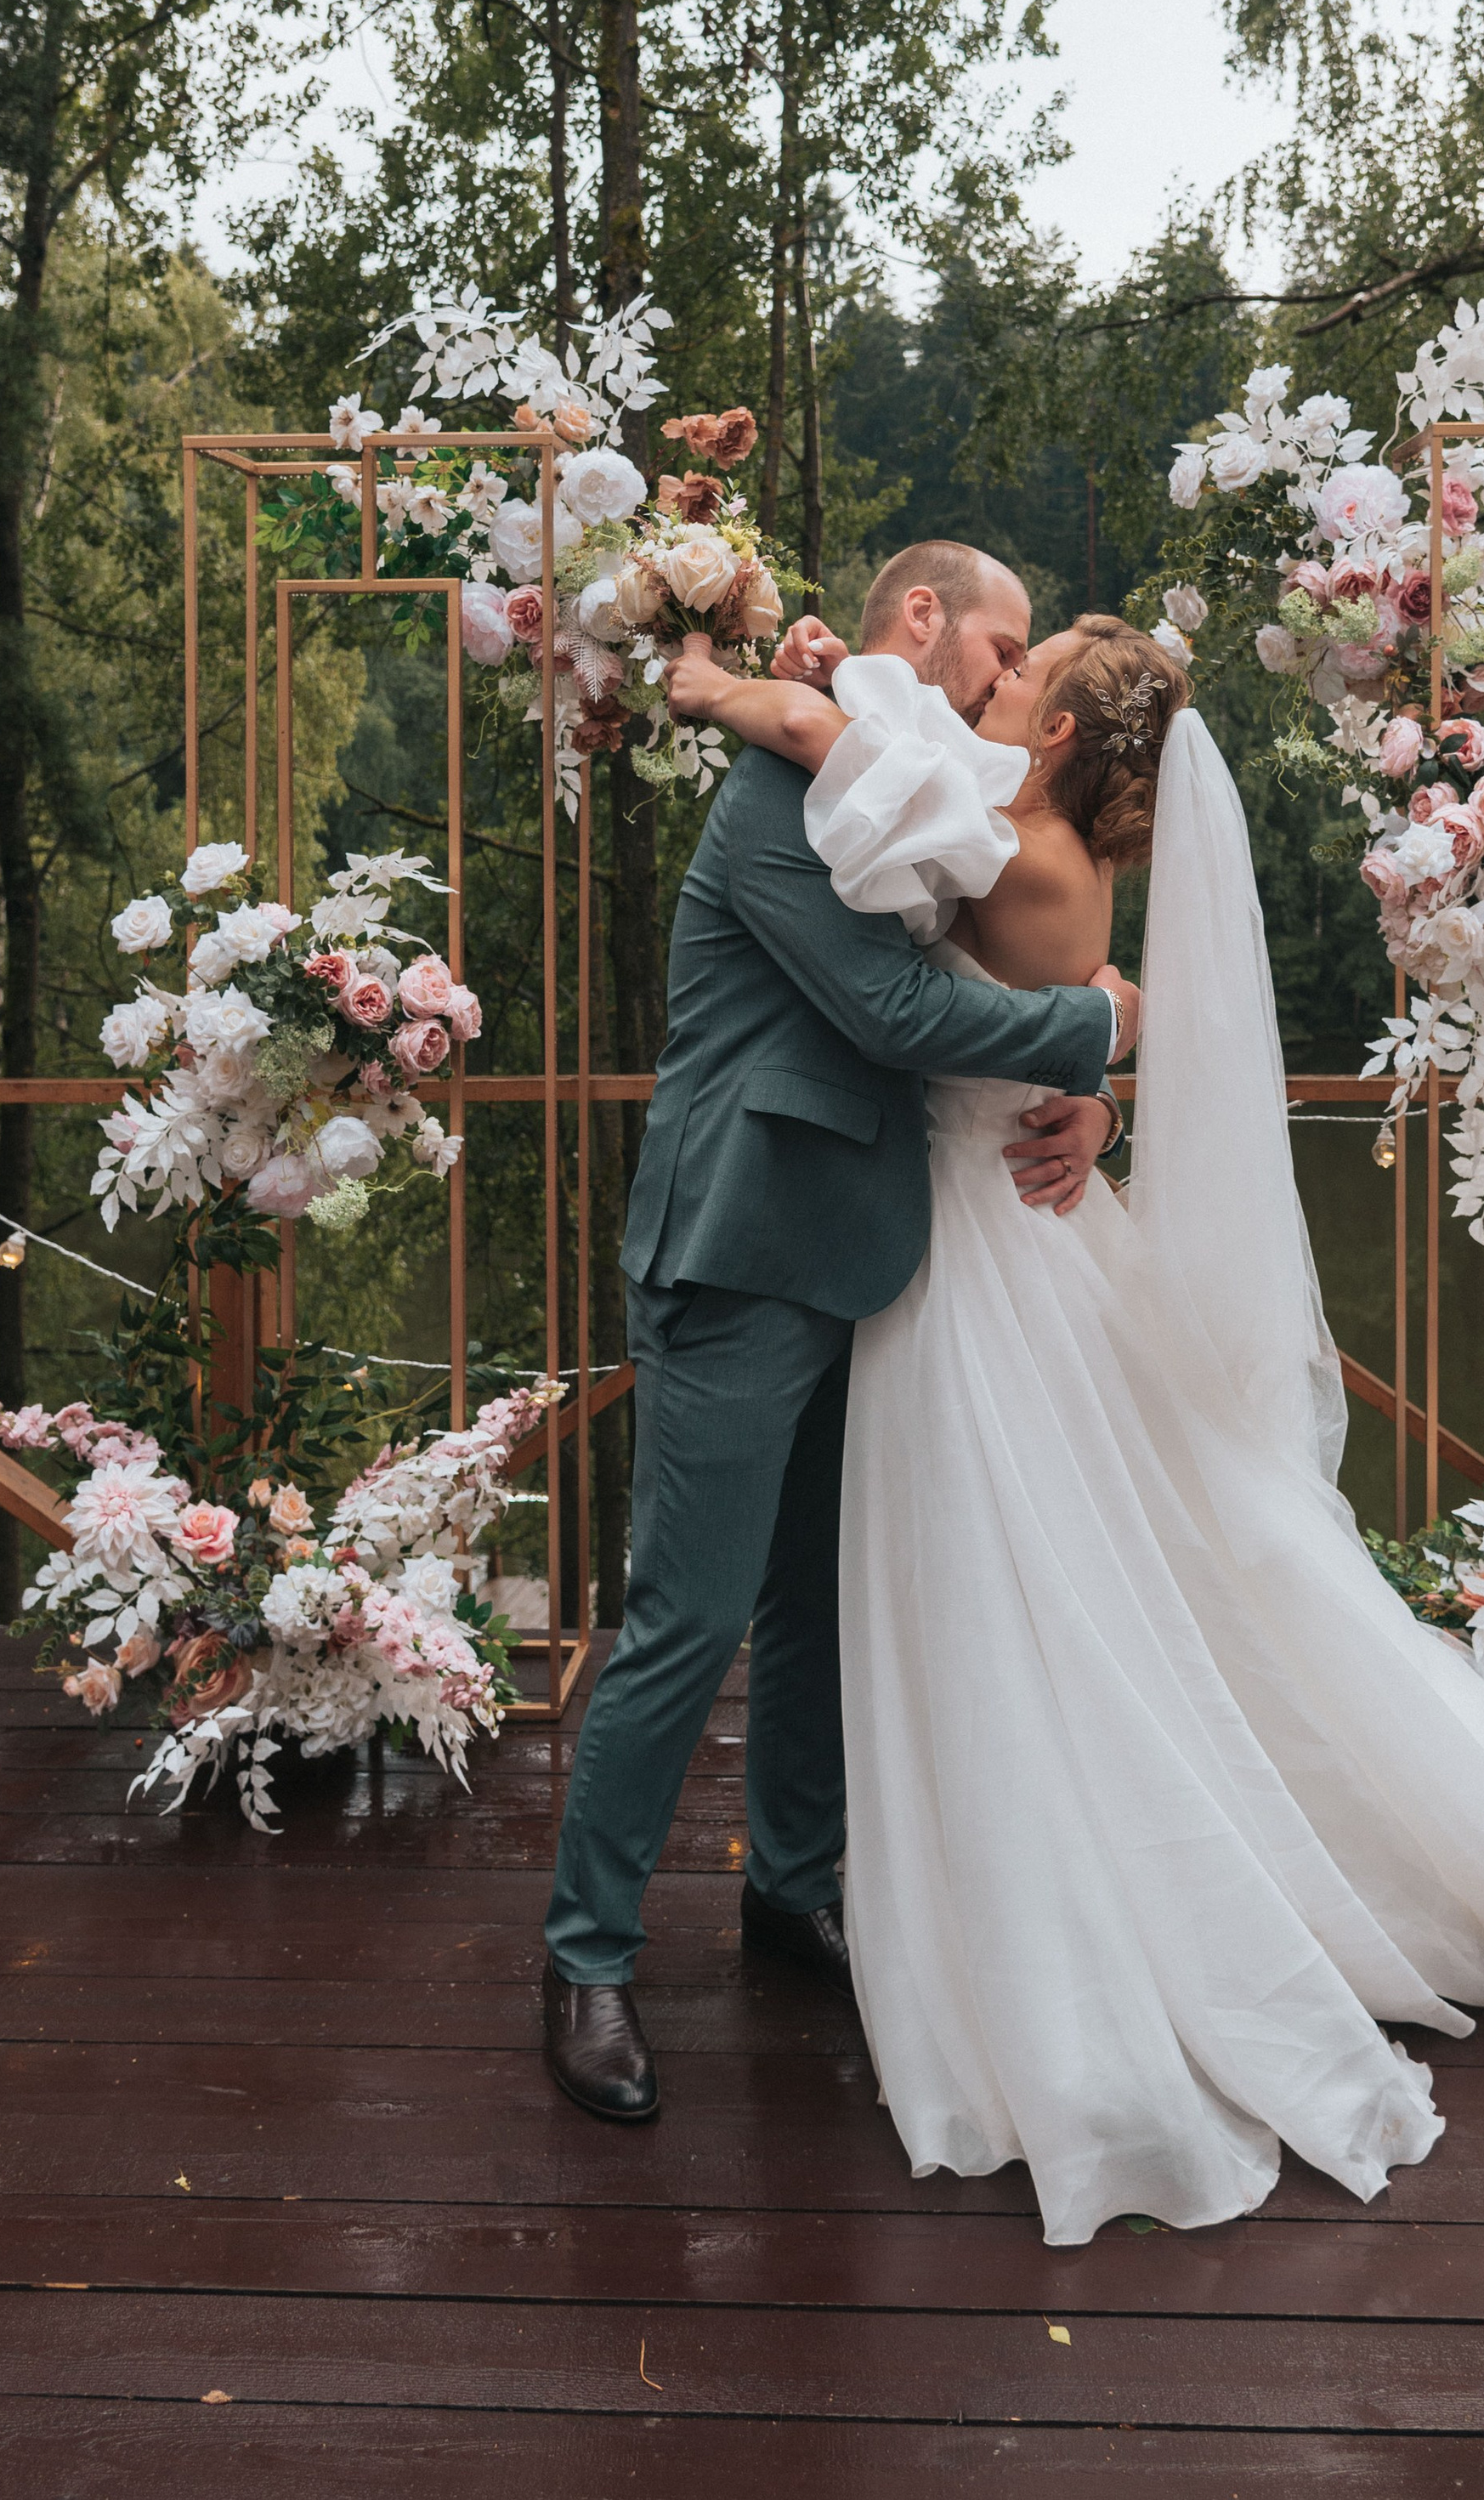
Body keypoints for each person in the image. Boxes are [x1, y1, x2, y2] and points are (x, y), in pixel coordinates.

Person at [671, 602, 1484, 2248]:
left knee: (1007, 1572)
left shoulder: (1003, 850)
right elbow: (1091, 974)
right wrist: (1111, 1041)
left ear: (1044, 737)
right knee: (1070, 1559)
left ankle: (1009, 1902)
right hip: (992, 1233)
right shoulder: (1030, 840)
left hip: (975, 1258)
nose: (992, 675)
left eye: (1018, 671)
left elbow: (864, 810)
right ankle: (866, 1879)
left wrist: (709, 680)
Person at [538, 544, 1140, 2126]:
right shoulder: (783, 785)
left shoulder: (899, 777)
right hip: (739, 1251)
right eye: (1000, 645)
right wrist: (1101, 1032)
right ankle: (587, 1956)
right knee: (686, 1616)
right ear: (922, 622)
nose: (1010, 681)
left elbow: (1003, 941)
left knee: (811, 1605)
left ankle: (788, 1888)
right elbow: (897, 1015)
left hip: (865, 1252)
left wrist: (1088, 1067)